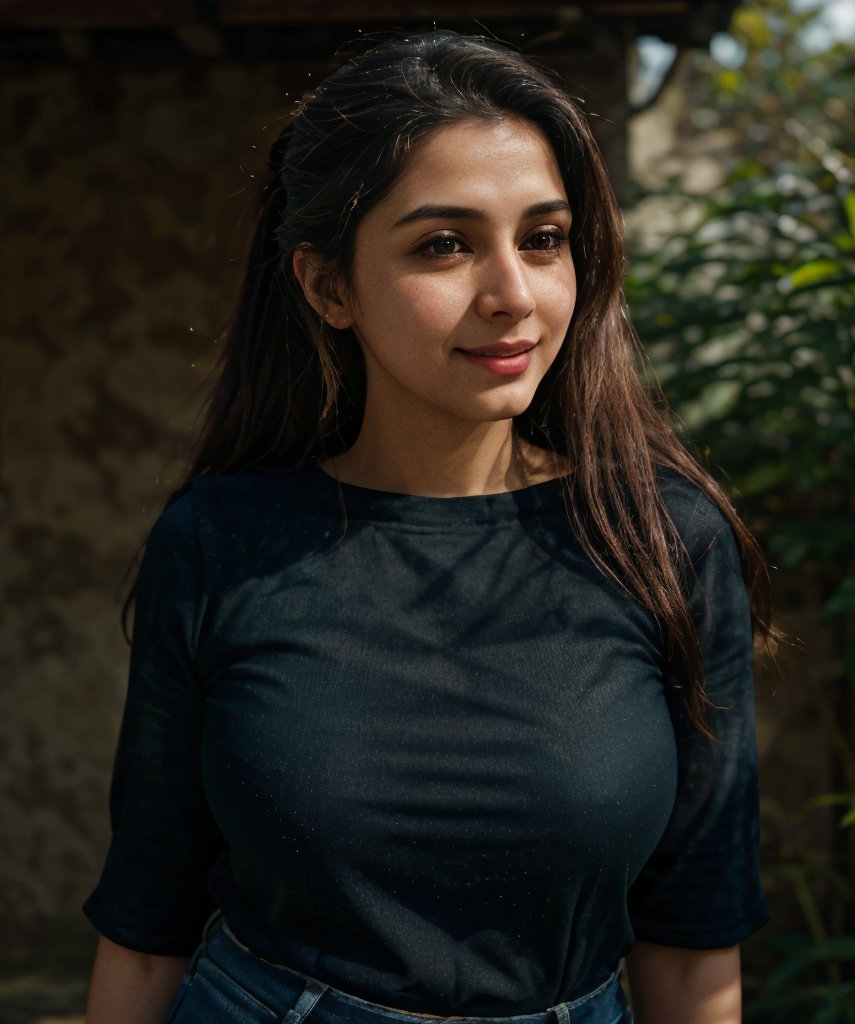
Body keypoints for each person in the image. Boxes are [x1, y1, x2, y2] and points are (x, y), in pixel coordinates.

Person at [83, 30, 773, 1024]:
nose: (514, 295)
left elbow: (692, 936)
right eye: (443, 245)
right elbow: (147, 921)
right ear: (325, 285)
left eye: (543, 238)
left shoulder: (663, 542)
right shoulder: (219, 542)